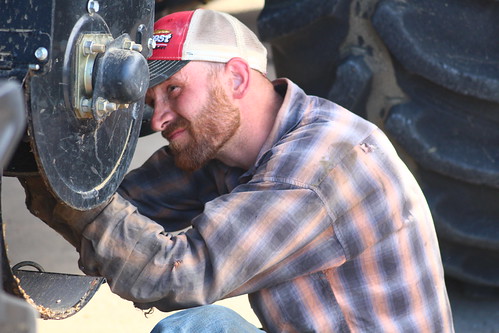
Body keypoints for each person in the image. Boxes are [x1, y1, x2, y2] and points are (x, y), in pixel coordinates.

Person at [22, 9, 454, 332]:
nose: (157, 120)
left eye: (174, 90)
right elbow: (116, 213)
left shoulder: (315, 170)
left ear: (237, 79)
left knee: (192, 328)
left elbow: (175, 274)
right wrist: (37, 155)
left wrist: (79, 198)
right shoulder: (221, 146)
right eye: (153, 102)